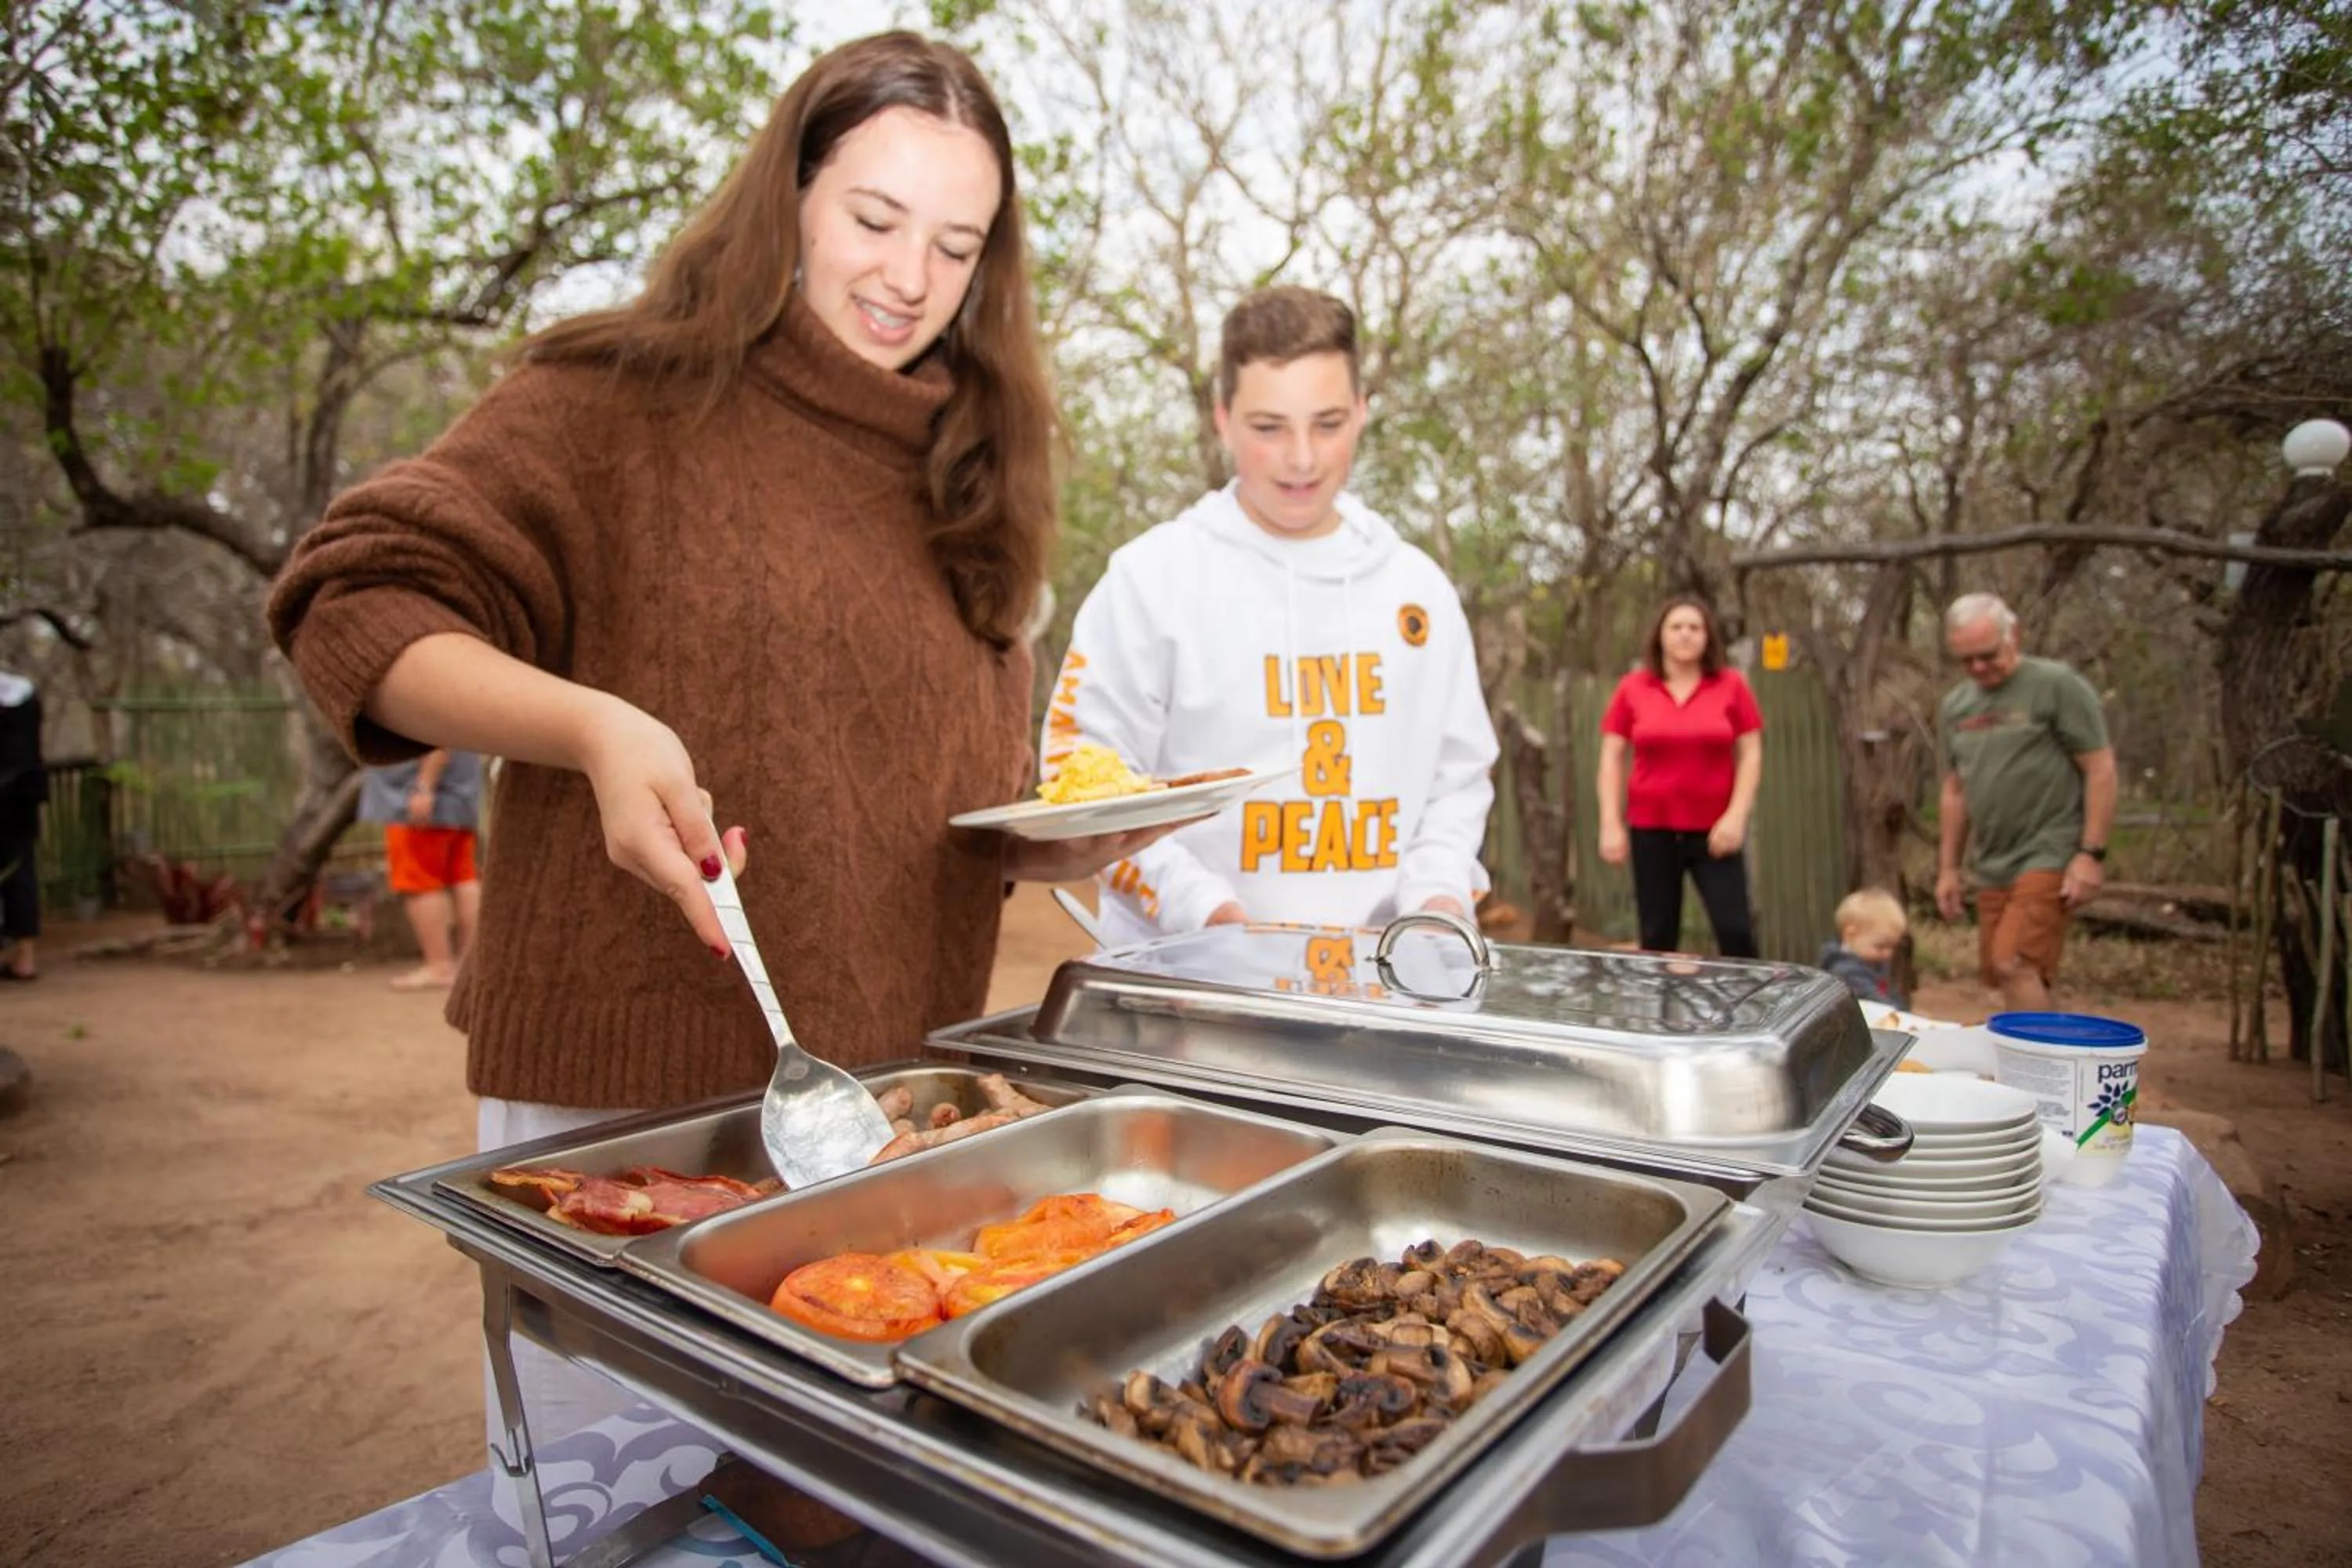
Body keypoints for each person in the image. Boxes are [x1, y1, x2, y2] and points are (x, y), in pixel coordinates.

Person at [267, 31, 1168, 1556]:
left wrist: (1053, 835)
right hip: (630, 1114)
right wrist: (594, 726)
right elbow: (352, 602)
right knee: (622, 1522)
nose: (908, 275)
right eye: (874, 218)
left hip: (876, 1116)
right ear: (790, 193)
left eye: (956, 245)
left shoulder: (979, 472)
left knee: (832, 1519)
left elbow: (925, 798)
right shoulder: (622, 395)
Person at [1042, 286, 1499, 944]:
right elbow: (1079, 770)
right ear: (1222, 419)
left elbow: (1460, 780)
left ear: (1363, 413)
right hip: (1188, 986)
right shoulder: (1150, 580)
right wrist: (1206, 916)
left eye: (1328, 423)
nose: (1303, 458)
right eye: (1269, 428)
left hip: (1387, 988)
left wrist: (1438, 900)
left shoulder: (1417, 588)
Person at [1934, 593, 2117, 1010]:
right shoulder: (1957, 705)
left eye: (1987, 655)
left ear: (2012, 635)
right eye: (1966, 660)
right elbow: (1955, 790)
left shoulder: (2056, 686)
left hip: (2050, 848)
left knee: (2013, 961)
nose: (1978, 668)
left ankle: (2037, 1074)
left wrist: (2090, 853)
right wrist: (1948, 869)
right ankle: (2049, 1061)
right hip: (1993, 858)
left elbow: (2100, 768)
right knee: (2005, 974)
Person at [1595, 597, 1764, 957]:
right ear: (1660, 636)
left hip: (1716, 832)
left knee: (1736, 933)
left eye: (1695, 627)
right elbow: (1612, 755)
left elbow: (1751, 752)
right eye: (1676, 627)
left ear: (1708, 637)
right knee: (1657, 938)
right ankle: (1661, 1013)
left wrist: (1737, 817)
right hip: (1652, 829)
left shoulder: (1731, 685)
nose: (1685, 635)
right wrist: (1610, 823)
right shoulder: (1634, 687)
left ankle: (1748, 1012)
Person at [358, 749, 484, 990]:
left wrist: (425, 785)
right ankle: (469, 964)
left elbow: (437, 740)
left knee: (419, 882)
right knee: (463, 878)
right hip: (459, 798)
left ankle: (440, 966)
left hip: (422, 801)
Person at [0, 671, 45, 982]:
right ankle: (25, 957)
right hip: (22, 798)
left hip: (12, 797)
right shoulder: (25, 695)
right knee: (20, 873)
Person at [1819, 887, 1908, 1010]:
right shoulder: (1846, 972)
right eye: (1880, 947)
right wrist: (1901, 1014)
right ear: (1850, 935)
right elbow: (1878, 1003)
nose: (1888, 953)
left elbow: (1892, 995)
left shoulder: (1874, 963)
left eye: (1892, 947)